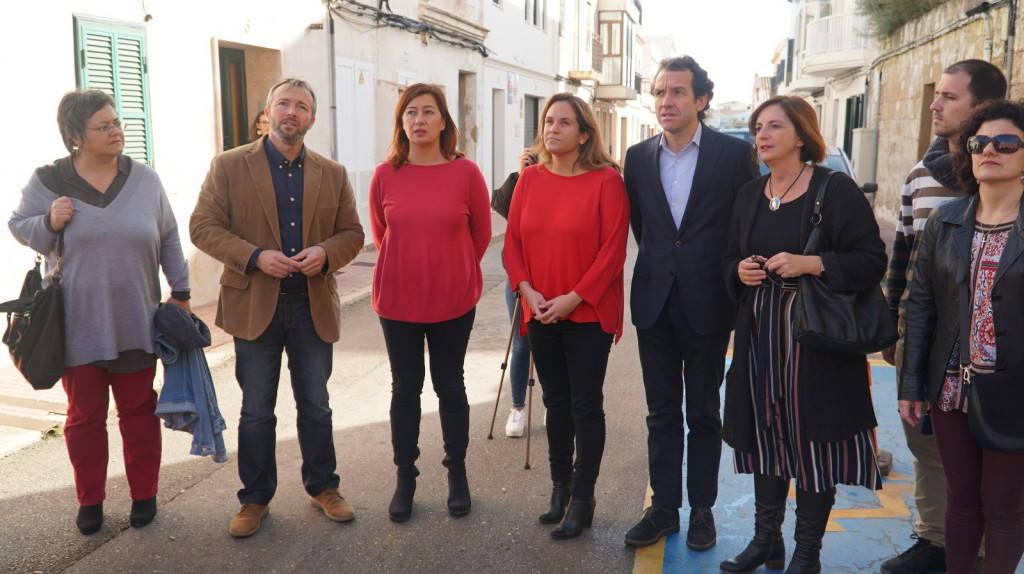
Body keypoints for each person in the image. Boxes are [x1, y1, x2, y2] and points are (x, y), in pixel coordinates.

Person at [9, 89, 191, 535]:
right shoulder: (49, 180)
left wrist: (181, 292)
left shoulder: (145, 179)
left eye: (117, 122)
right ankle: (90, 499)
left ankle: (144, 494)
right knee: (85, 417)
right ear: (76, 135)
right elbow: (18, 225)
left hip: (136, 318)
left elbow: (168, 235)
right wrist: (49, 222)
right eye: (104, 126)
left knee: (138, 411)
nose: (116, 131)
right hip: (78, 325)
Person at [190, 78, 364, 538]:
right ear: (268, 112)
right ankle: (254, 499)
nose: (292, 111)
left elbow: (352, 234)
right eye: (283, 103)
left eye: (302, 106)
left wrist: (326, 253)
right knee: (256, 411)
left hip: (311, 306)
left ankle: (324, 488)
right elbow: (203, 226)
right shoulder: (228, 166)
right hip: (254, 304)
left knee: (316, 407)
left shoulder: (334, 172)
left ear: (311, 118)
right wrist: (254, 256)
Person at [720, 95, 886, 574]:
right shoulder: (751, 194)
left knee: (813, 443)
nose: (762, 135)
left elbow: (871, 259)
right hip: (760, 336)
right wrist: (740, 271)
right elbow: (728, 257)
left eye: (774, 126)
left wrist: (812, 263)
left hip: (814, 340)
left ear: (801, 134)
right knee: (765, 435)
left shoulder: (835, 189)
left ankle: (806, 554)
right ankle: (765, 541)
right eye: (757, 127)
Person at [622, 56, 759, 549]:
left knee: (703, 413)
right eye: (660, 92)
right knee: (661, 413)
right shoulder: (637, 157)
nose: (666, 101)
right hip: (654, 301)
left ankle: (702, 509)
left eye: (678, 92)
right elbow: (645, 228)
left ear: (702, 101)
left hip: (708, 302)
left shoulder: (731, 155)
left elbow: (745, 226)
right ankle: (663, 509)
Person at [881, 59, 1006, 574]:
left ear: (983, 107)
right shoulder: (920, 174)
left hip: (994, 341)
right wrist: (892, 326)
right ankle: (935, 541)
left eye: (949, 97)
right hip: (925, 335)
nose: (935, 104)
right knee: (926, 442)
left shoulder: (1006, 169)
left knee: (992, 451)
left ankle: (979, 551)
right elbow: (903, 257)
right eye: (937, 96)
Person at [900, 99, 1024, 574]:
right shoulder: (946, 220)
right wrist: (912, 385)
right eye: (980, 142)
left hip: (1010, 391)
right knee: (962, 501)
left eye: (1006, 142)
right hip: (950, 386)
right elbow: (920, 307)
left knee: (1004, 505)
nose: (990, 150)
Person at [503, 92, 630, 539]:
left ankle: (582, 497)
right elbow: (512, 243)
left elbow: (613, 252)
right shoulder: (529, 180)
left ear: (583, 134)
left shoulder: (606, 181)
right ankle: (559, 490)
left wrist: (574, 298)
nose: (552, 129)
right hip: (539, 309)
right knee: (554, 403)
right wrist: (527, 289)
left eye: (563, 123)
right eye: (548, 122)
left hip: (588, 312)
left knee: (584, 404)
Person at [369, 83, 491, 523]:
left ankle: (456, 475)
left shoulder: (466, 173)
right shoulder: (385, 174)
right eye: (410, 113)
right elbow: (383, 234)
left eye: (428, 112)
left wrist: (451, 267)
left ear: (444, 122)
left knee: (450, 386)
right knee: (405, 390)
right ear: (401, 123)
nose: (418, 120)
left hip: (453, 300)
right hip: (398, 300)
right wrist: (411, 266)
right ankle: (406, 479)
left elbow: (480, 234)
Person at [490, 148, 537, 438]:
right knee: (521, 344)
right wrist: (520, 175)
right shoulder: (524, 177)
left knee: (552, 346)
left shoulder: (565, 176)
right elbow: (501, 205)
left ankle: (552, 402)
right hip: (519, 274)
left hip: (555, 273)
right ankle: (517, 408)